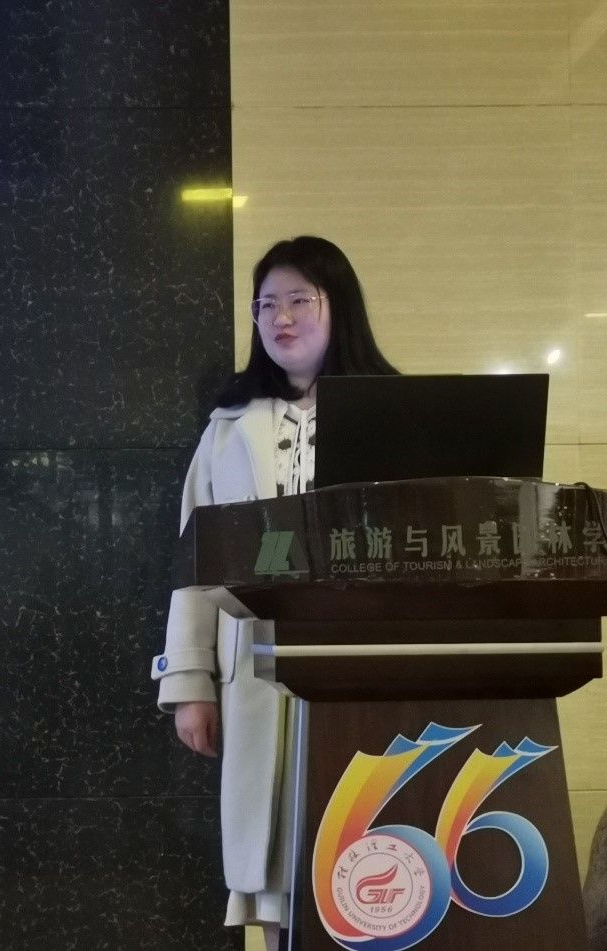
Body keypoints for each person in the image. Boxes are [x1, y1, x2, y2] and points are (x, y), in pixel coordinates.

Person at [150, 236, 397, 951]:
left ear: (337, 306)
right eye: (266, 305)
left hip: (364, 666)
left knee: (370, 849)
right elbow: (196, 564)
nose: (279, 318)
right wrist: (190, 683)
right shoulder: (227, 429)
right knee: (278, 865)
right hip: (259, 667)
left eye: (298, 300)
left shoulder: (393, 413)